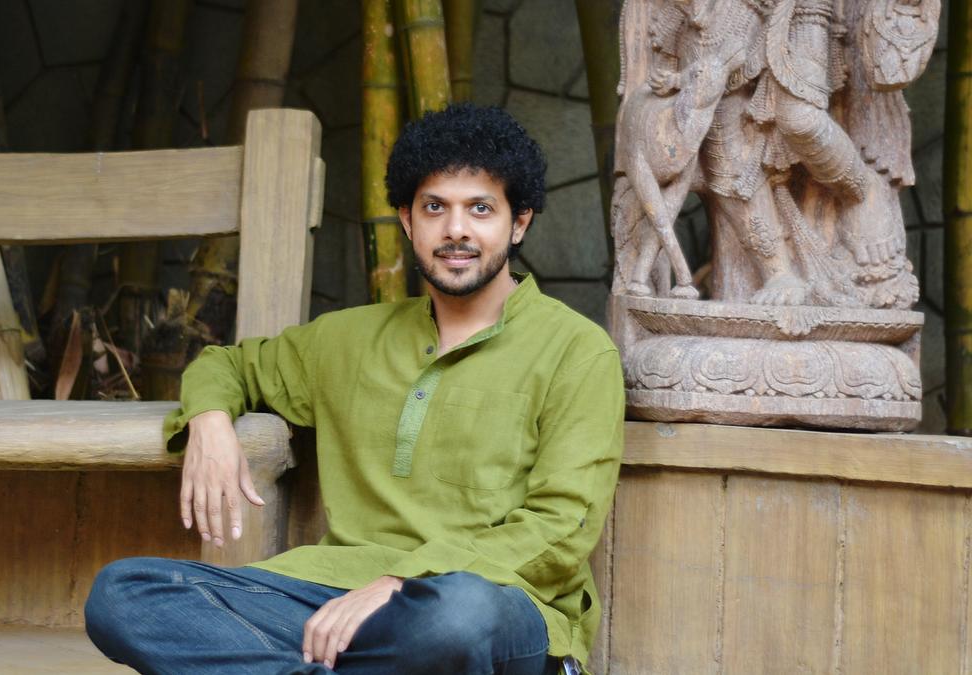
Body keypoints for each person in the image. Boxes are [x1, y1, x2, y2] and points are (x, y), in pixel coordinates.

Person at [84, 103, 625, 675]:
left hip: (490, 599)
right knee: (122, 593)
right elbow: (228, 365)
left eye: (480, 209)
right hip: (330, 593)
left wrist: (403, 581)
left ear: (519, 223)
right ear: (407, 220)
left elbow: (559, 529)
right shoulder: (347, 339)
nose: (456, 230)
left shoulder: (577, 352)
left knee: (456, 617)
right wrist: (211, 422)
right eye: (434, 207)